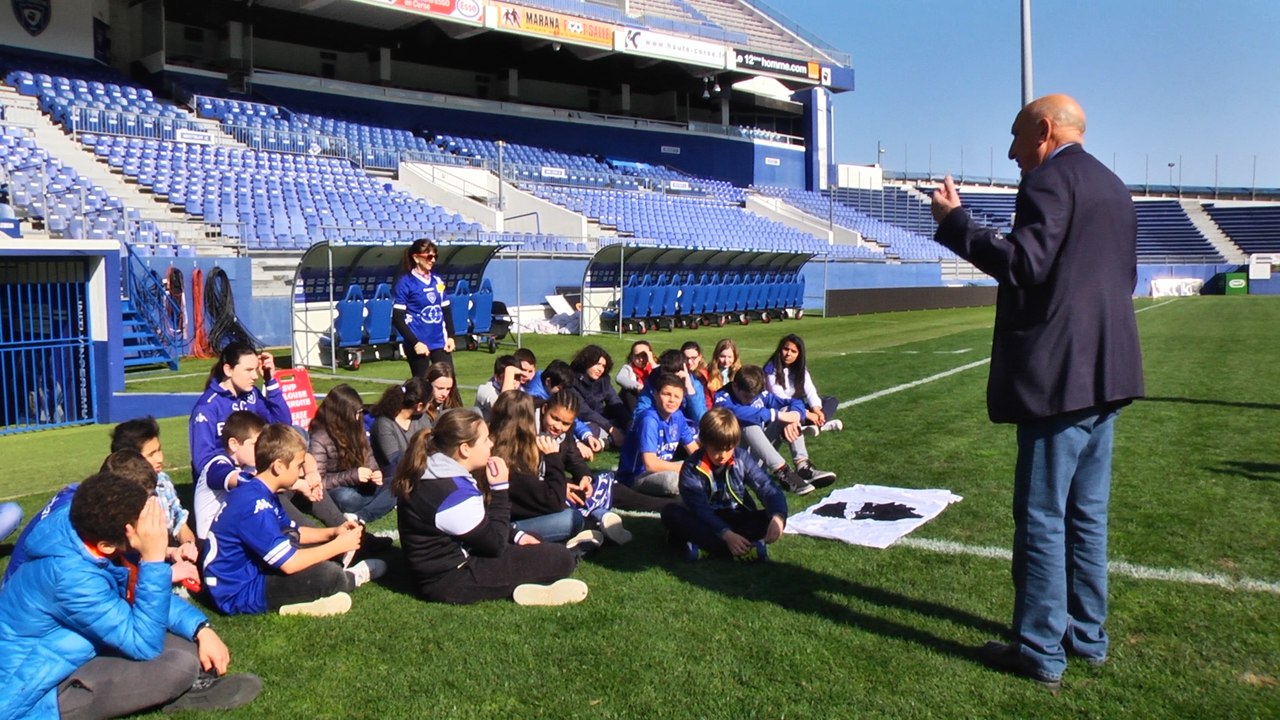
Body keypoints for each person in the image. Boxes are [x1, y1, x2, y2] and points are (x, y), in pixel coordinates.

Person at [929, 94, 1144, 689]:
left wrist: (957, 223)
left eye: (1018, 137)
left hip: (1060, 381)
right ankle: (1087, 636)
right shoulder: (1115, 187)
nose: (1012, 152)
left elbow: (1024, 264)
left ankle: (1040, 648)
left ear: (1045, 131)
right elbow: (1116, 279)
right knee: (1087, 515)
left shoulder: (1049, 182)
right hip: (1108, 375)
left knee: (1044, 517)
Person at [0, 473, 261, 718]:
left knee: (188, 646)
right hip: (38, 686)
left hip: (73, 650)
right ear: (106, 545)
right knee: (177, 667)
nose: (148, 531)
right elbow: (144, 643)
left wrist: (201, 628)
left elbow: (135, 592)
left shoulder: (87, 531)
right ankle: (176, 696)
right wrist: (153, 559)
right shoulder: (70, 577)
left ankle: (166, 689)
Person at [394, 408, 588, 606]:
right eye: (485, 440)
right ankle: (569, 558)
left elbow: (480, 524)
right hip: (451, 579)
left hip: (446, 568)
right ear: (465, 449)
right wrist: (500, 488)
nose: (491, 444)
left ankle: (537, 579)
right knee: (560, 558)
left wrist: (517, 536)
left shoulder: (435, 469)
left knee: (533, 542)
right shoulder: (451, 491)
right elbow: (494, 545)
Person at [203, 424, 385, 617]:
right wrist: (338, 546)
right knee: (328, 575)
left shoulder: (261, 492)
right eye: (298, 466)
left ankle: (327, 581)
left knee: (309, 553)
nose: (300, 473)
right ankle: (349, 578)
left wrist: (333, 533)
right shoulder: (255, 505)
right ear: (279, 466)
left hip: (251, 573)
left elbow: (293, 531)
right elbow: (289, 563)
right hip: (238, 591)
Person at [190, 343, 343, 529]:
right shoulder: (207, 408)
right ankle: (321, 539)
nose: (255, 376)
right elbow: (202, 463)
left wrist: (270, 380)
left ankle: (345, 528)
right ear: (228, 369)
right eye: (248, 370)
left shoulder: (251, 395)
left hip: (257, 472)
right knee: (274, 486)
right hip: (231, 485)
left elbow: (282, 423)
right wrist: (245, 472)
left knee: (296, 473)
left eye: (256, 369)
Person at [661, 408, 787, 562]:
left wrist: (778, 517)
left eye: (728, 449)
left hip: (736, 516)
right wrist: (726, 534)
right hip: (705, 521)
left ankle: (705, 549)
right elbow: (700, 509)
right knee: (670, 513)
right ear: (704, 443)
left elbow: (766, 486)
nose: (723, 456)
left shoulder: (742, 458)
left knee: (771, 517)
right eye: (717, 450)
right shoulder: (691, 468)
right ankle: (742, 548)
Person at [489, 390, 599, 548]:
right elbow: (552, 500)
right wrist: (553, 459)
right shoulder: (512, 455)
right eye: (555, 418)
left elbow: (572, 457)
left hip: (529, 497)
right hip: (511, 523)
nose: (558, 426)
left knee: (592, 490)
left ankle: (599, 519)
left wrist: (584, 477)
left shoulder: (497, 445)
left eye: (566, 424)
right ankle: (590, 529)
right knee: (572, 518)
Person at [713, 365, 836, 496]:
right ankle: (782, 471)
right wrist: (778, 415)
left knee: (787, 410)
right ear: (735, 386)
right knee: (748, 423)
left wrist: (794, 416)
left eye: (754, 397)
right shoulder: (722, 398)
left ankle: (802, 466)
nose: (750, 400)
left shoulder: (759, 394)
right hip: (736, 462)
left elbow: (792, 402)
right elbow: (741, 413)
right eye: (746, 397)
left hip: (758, 456)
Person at [110, 417, 199, 556]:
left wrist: (188, 546)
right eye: (151, 454)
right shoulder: (120, 495)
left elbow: (178, 518)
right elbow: (132, 548)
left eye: (159, 450)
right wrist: (171, 553)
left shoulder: (163, 480)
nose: (160, 458)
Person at [309, 384, 396, 525]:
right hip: (337, 489)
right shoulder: (319, 437)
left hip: (362, 484)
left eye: (360, 412)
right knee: (347, 499)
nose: (358, 417)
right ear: (342, 414)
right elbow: (319, 482)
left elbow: (369, 456)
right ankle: (383, 503)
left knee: (397, 484)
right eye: (355, 413)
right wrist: (353, 475)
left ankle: (363, 514)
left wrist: (375, 472)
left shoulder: (357, 427)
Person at [616, 373, 701, 497]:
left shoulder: (678, 416)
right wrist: (688, 469)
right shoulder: (649, 420)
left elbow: (695, 451)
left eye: (677, 396)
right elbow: (650, 464)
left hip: (662, 470)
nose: (672, 400)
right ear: (656, 395)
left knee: (702, 468)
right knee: (673, 481)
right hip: (637, 476)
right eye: (667, 394)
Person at [194, 411, 265, 543]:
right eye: (255, 445)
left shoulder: (248, 465)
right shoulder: (216, 465)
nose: (260, 450)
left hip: (233, 539)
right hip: (210, 545)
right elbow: (241, 480)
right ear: (234, 444)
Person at [392, 238, 455, 376]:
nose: (432, 260)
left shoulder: (437, 281)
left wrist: (450, 336)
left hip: (440, 342)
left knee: (448, 382)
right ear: (416, 257)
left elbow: (446, 310)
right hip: (419, 343)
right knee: (421, 386)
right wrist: (415, 343)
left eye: (435, 257)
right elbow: (397, 318)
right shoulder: (406, 283)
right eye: (429, 256)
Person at [764, 334, 843, 433]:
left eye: (793, 351)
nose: (788, 353)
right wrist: (807, 414)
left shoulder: (800, 369)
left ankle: (817, 424)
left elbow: (810, 391)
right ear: (780, 350)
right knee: (788, 408)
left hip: (797, 407)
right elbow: (781, 398)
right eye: (786, 349)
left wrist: (817, 410)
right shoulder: (771, 369)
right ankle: (816, 426)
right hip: (781, 409)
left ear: (799, 355)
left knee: (831, 400)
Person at [369, 377, 432, 477]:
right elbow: (395, 460)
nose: (430, 405)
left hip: (424, 473)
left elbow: (432, 446)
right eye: (429, 402)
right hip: (395, 479)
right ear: (419, 406)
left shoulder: (422, 418)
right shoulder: (384, 424)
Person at [569, 344, 630, 447]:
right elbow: (585, 412)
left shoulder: (603, 380)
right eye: (597, 364)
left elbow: (614, 400)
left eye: (603, 366)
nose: (600, 369)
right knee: (591, 430)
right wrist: (610, 429)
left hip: (602, 417)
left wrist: (629, 424)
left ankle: (608, 440)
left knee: (623, 418)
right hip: (584, 421)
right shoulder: (572, 380)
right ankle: (607, 441)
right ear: (586, 362)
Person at [634, 348, 709, 424]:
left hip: (688, 429)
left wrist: (689, 389)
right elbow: (640, 413)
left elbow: (700, 419)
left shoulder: (694, 385)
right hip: (659, 426)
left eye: (673, 378)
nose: (669, 382)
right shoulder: (653, 381)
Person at [473, 354, 522, 422]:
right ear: (497, 378)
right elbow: (504, 410)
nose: (513, 382)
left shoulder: (521, 390)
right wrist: (510, 371)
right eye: (508, 377)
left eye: (517, 377)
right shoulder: (485, 391)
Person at [615, 340, 655, 417]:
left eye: (644, 355)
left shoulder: (654, 368)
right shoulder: (629, 368)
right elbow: (619, 378)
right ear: (632, 357)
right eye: (637, 356)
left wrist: (652, 362)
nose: (641, 359)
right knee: (628, 391)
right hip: (631, 405)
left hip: (649, 402)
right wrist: (638, 386)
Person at [681, 340, 714, 411]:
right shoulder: (678, 373)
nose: (689, 362)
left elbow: (708, 401)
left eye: (693, 358)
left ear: (699, 357)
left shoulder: (704, 375)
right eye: (686, 358)